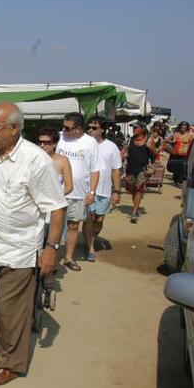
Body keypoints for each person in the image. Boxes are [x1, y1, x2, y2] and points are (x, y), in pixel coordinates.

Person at [0, 102, 67, 387]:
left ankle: (10, 363)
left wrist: (51, 249)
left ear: (14, 128)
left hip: (17, 250)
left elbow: (57, 207)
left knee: (13, 311)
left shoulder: (35, 160)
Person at [55, 113, 100, 272]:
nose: (64, 130)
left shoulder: (90, 142)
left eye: (67, 128)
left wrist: (92, 191)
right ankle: (51, 257)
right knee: (54, 225)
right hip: (57, 191)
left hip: (79, 192)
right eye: (63, 127)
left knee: (74, 225)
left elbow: (95, 169)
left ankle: (68, 258)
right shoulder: (60, 138)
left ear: (79, 129)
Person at [83, 116, 122, 262]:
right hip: (87, 190)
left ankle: (91, 238)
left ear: (103, 129)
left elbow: (116, 170)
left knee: (99, 221)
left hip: (104, 190)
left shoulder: (111, 147)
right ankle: (90, 247)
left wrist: (116, 191)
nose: (90, 130)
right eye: (89, 127)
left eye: (94, 128)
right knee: (89, 218)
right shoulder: (84, 144)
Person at [121, 122, 157, 223]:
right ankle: (135, 208)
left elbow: (155, 154)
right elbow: (123, 151)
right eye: (133, 127)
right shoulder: (129, 140)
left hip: (142, 169)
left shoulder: (149, 140)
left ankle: (134, 212)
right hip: (130, 168)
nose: (134, 129)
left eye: (136, 127)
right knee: (132, 189)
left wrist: (150, 148)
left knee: (138, 190)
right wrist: (119, 163)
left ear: (142, 129)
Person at [166, 121, 194, 186]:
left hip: (184, 153)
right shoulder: (176, 134)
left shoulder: (190, 134)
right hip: (175, 153)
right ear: (180, 128)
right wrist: (171, 142)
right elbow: (168, 139)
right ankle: (175, 180)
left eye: (185, 128)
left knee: (182, 167)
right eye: (182, 128)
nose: (183, 129)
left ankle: (180, 181)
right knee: (175, 166)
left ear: (187, 128)